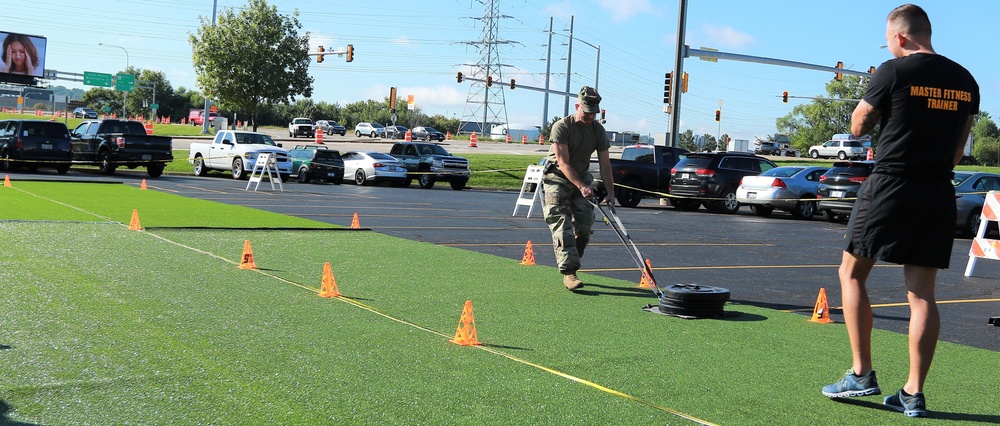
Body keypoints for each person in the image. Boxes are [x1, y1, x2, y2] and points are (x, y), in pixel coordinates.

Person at [821, 4, 979, 418]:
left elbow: (859, 125)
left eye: (889, 41)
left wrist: (872, 112)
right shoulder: (965, 80)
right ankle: (913, 393)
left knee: (851, 274)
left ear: (901, 37)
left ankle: (861, 374)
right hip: (938, 189)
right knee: (922, 295)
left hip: (892, 184)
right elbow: (960, 148)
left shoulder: (893, 71)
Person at [541, 86, 616, 291]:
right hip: (557, 178)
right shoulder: (562, 127)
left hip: (582, 178)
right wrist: (582, 186)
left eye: (594, 112)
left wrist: (610, 193)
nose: (590, 116)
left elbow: (605, 164)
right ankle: (569, 272)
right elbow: (563, 163)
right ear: (577, 106)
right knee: (561, 223)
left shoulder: (598, 130)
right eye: (587, 111)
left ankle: (572, 255)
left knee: (584, 226)